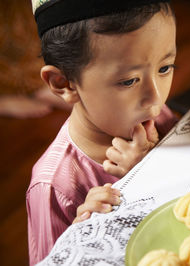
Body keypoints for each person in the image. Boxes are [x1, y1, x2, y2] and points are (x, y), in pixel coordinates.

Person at [25, 0, 178, 264]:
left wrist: (153, 169)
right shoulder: (54, 188)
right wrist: (83, 233)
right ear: (63, 83)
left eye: (164, 68)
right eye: (129, 81)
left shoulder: (155, 116)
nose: (155, 98)